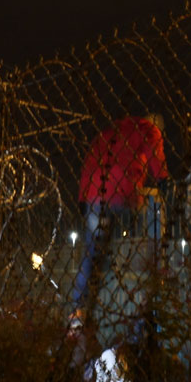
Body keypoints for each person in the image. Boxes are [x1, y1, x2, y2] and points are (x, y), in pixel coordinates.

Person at [71, 114, 168, 321]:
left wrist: (82, 198)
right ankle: (152, 284)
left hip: (95, 197)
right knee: (151, 224)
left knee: (91, 249)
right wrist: (163, 181)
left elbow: (88, 165)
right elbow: (155, 155)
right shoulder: (149, 129)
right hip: (123, 195)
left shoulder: (108, 133)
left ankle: (79, 306)